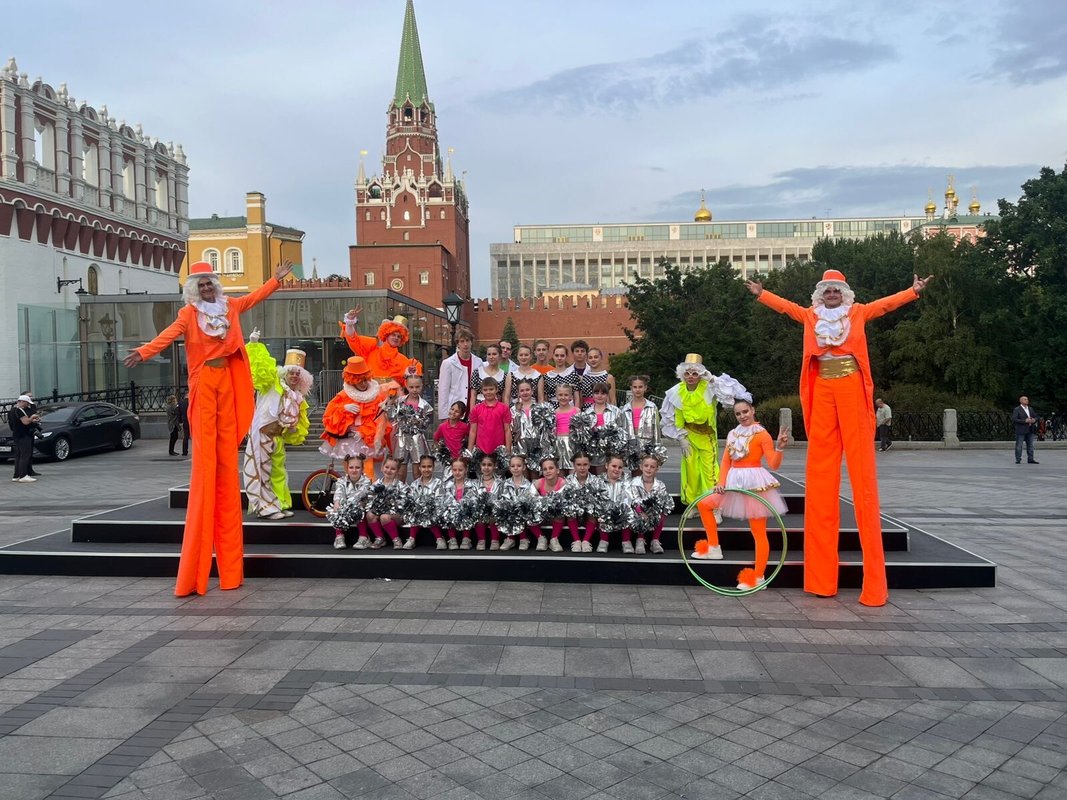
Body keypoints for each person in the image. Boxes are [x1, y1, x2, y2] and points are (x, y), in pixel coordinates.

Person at [746, 268, 931, 607]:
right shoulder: (811, 315)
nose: (831, 295)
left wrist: (913, 292)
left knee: (863, 476)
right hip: (822, 391)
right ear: (821, 294)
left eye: (836, 290)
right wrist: (762, 294)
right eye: (827, 291)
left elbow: (885, 306)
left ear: (844, 293)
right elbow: (787, 308)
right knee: (820, 478)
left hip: (851, 388)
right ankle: (821, 579)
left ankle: (874, 587)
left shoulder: (857, 312)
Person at [123, 259, 293, 597]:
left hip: (228, 381)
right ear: (194, 288)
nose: (205, 288)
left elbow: (253, 299)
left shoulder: (229, 307)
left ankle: (231, 573)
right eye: (200, 284)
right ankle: (197, 568)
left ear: (215, 285)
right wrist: (143, 353)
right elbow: (168, 335)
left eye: (209, 283)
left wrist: (274, 280)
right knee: (206, 463)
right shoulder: (189, 314)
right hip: (204, 383)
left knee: (227, 461)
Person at [694, 400, 790, 589]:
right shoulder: (733, 433)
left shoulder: (762, 434)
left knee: (758, 532)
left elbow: (773, 464)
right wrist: (721, 483)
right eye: (738, 413)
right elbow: (725, 461)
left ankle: (758, 577)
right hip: (733, 482)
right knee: (704, 504)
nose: (742, 416)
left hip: (754, 484)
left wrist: (779, 448)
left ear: (753, 410)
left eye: (745, 411)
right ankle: (713, 547)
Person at [661, 354, 748, 505]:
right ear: (682, 374)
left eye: (695, 373)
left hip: (707, 437)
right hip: (688, 438)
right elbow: (674, 416)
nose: (690, 376)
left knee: (710, 471)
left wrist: (713, 379)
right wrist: (681, 438)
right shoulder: (676, 391)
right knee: (691, 472)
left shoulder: (709, 388)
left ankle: (714, 505)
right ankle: (694, 505)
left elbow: (733, 395)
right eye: (687, 373)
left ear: (700, 374)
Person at [243, 332, 313, 519]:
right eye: (291, 372)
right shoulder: (272, 383)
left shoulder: (296, 396)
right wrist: (254, 344)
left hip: (278, 438)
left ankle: (280, 504)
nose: (294, 376)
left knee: (278, 473)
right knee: (262, 472)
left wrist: (293, 428)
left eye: (297, 373)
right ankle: (265, 508)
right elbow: (260, 368)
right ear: (284, 372)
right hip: (263, 435)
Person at [320, 356, 389, 479]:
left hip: (367, 439)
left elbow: (381, 420)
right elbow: (328, 418)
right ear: (352, 381)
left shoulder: (377, 396)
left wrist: (363, 432)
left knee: (368, 469)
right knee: (350, 469)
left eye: (365, 380)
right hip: (348, 439)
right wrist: (342, 409)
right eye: (359, 381)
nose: (363, 384)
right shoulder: (342, 396)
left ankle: (368, 489)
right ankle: (350, 489)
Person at [342, 308, 422, 395]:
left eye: (399, 336)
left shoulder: (404, 360)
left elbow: (408, 384)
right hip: (370, 396)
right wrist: (349, 322)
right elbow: (353, 339)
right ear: (387, 335)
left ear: (401, 340)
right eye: (393, 335)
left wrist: (410, 374)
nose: (396, 338)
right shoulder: (371, 349)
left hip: (392, 398)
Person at [388, 373, 433, 482]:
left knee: (418, 470)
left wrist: (417, 421)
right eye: (411, 387)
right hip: (401, 437)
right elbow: (391, 417)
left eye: (417, 387)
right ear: (406, 386)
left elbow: (427, 423)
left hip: (417, 438)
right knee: (400, 470)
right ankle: (400, 490)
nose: (414, 390)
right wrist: (389, 404)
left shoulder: (425, 405)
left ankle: (418, 490)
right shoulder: (399, 401)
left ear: (422, 386)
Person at [628, 454, 672, 554]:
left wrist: (653, 509)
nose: (649, 469)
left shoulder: (660, 485)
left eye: (652, 467)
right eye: (646, 466)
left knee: (666, 506)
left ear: (657, 469)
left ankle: (655, 540)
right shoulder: (634, 482)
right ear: (641, 467)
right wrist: (641, 512)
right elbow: (634, 500)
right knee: (638, 507)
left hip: (653, 513)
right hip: (638, 513)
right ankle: (640, 539)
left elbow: (661, 501)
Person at [437, 328, 483, 420]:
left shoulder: (478, 362)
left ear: (471, 342)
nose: (465, 344)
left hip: (474, 408)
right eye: (462, 341)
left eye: (467, 341)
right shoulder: (448, 363)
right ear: (457, 344)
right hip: (455, 410)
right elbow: (443, 390)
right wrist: (444, 416)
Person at [620, 375, 662, 475]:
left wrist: (657, 449)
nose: (637, 390)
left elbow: (656, 430)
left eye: (640, 387)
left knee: (647, 473)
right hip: (632, 446)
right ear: (631, 388)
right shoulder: (625, 408)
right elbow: (622, 430)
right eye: (635, 387)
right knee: (635, 474)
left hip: (647, 445)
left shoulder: (652, 407)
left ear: (645, 388)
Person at [329, 454, 371, 550]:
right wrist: (337, 503)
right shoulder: (341, 481)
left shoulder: (366, 481)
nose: (354, 470)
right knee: (336, 507)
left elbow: (360, 494)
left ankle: (364, 537)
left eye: (357, 467)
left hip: (361, 507)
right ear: (347, 468)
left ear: (362, 468)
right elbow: (339, 493)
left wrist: (349, 504)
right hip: (346, 508)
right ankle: (339, 537)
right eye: (351, 467)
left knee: (359, 507)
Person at [406, 455, 445, 549]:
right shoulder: (414, 484)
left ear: (433, 467)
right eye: (424, 467)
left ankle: (439, 538)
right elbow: (411, 499)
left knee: (429, 511)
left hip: (433, 511)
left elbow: (439, 500)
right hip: (419, 512)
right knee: (413, 510)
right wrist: (419, 506)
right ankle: (411, 538)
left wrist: (427, 506)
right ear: (419, 468)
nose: (426, 469)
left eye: (429, 466)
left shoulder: (438, 483)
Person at [467, 377, 512, 457]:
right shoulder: (476, 409)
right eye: (485, 390)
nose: (488, 392)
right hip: (481, 450)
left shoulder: (504, 408)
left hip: (499, 451)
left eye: (491, 389)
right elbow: (473, 431)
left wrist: (508, 450)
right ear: (481, 391)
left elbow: (507, 430)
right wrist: (469, 451)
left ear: (497, 390)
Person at [8, 395, 39, 483]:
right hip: (24, 435)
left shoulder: (12, 410)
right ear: (22, 402)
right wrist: (32, 418)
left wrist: (31, 420)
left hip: (17, 435)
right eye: (27, 403)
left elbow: (15, 422)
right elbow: (25, 422)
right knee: (25, 455)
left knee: (18, 455)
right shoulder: (20, 410)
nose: (28, 405)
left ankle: (16, 475)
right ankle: (23, 475)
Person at [543, 345, 580, 409]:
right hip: (552, 408)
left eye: (562, 356)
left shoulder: (573, 374)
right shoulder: (547, 375)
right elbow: (545, 397)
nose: (559, 358)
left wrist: (576, 411)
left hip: (569, 408)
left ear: (566, 357)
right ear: (553, 356)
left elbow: (576, 397)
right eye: (557, 355)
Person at [1012, 395, 1039, 464]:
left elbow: (1036, 416)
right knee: (1019, 445)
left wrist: (1034, 420)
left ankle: (1030, 459)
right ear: (1021, 401)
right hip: (1021, 430)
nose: (1027, 400)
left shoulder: (1030, 409)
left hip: (1030, 429)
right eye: (1025, 399)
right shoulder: (1017, 409)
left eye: (1027, 399)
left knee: (1030, 445)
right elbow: (1014, 419)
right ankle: (1018, 459)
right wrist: (1024, 421)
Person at [177, 390, 191, 456]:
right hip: (192, 422)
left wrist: (180, 421)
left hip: (185, 421)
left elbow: (178, 413)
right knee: (195, 437)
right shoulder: (191, 402)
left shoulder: (181, 402)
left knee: (185, 437)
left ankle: (184, 451)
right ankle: (197, 452)